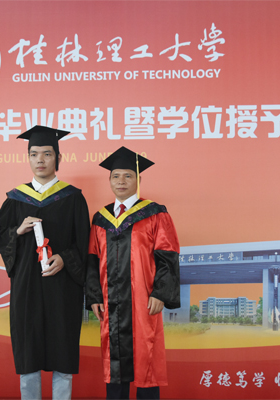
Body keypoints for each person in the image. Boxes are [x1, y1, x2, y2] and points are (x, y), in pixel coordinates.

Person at [0, 125, 90, 400]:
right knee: (28, 349)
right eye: (34, 154)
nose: (40, 160)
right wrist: (17, 231)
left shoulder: (73, 198)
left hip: (62, 286)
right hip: (27, 286)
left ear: (58, 158)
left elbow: (85, 243)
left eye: (47, 154)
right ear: (28, 158)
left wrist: (65, 258)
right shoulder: (15, 199)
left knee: (62, 348)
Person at [86, 146, 180, 400]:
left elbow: (168, 255)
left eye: (128, 176)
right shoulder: (100, 218)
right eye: (116, 176)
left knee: (145, 357)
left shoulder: (155, 213)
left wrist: (160, 293)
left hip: (143, 300)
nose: (121, 181)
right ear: (109, 180)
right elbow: (92, 260)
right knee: (114, 360)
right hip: (111, 303)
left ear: (139, 179)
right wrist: (94, 296)